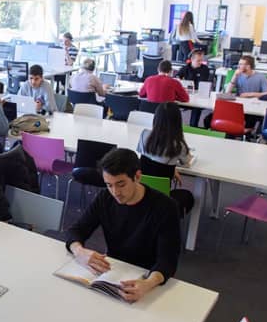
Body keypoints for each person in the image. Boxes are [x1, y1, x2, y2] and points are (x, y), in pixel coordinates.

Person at [65, 148, 181, 303]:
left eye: (121, 184)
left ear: (137, 176)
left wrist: (147, 284)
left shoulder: (166, 207)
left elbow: (167, 261)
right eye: (109, 185)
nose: (115, 192)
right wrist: (79, 251)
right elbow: (76, 230)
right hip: (114, 271)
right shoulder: (105, 198)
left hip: (149, 276)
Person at [136, 103, 195, 215]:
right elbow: (187, 162)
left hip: (141, 191)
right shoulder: (179, 145)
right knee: (189, 196)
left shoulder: (144, 135)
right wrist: (172, 168)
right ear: (178, 122)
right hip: (162, 197)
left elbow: (145, 159)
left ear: (155, 118)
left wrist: (172, 169)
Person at [176, 49, 211, 126]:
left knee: (197, 107)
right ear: (192, 59)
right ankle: (176, 125)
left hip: (199, 95)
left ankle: (193, 126)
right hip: (187, 94)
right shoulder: (186, 68)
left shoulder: (205, 69)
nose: (200, 62)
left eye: (201, 60)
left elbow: (204, 84)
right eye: (198, 60)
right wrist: (179, 79)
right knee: (173, 104)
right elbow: (177, 76)